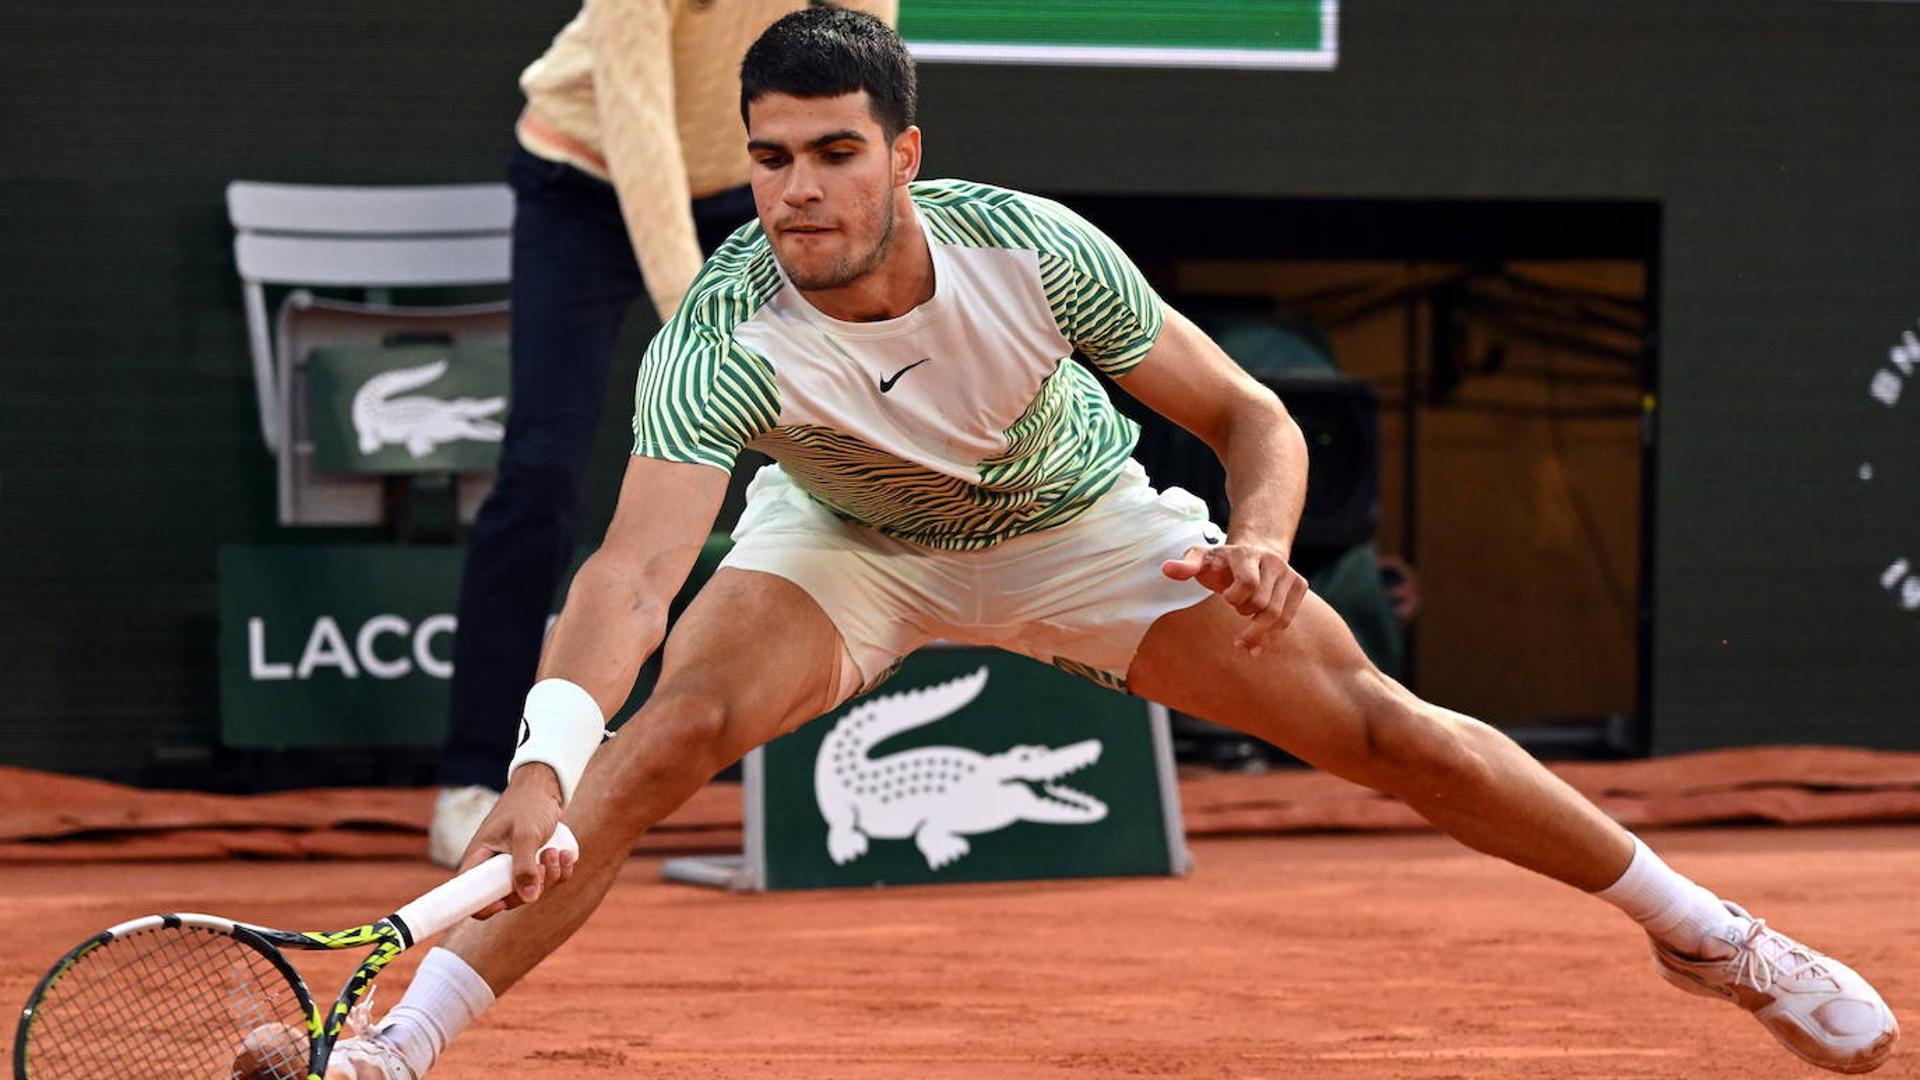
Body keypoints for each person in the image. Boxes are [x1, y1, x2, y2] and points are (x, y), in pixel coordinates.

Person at [340, 9, 1899, 1076]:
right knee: (661, 730)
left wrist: (1266, 540)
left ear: (902, 151)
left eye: (830, 151)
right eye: (769, 157)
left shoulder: (1033, 251)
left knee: (1382, 730)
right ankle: (391, 1048)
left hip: (1076, 525)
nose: (797, 189)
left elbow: (1254, 418)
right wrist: (541, 760)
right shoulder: (726, 332)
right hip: (844, 540)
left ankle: (1716, 941)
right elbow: (626, 574)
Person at [432, 0, 896, 869]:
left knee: (834, 442)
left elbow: (866, 99)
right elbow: (639, 126)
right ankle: (473, 780)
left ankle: (797, 799)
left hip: (753, 177)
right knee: (542, 466)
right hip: (585, 176)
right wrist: (704, 330)